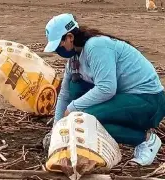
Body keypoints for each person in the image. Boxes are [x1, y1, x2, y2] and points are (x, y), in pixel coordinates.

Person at [43, 13, 165, 166]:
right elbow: (65, 95)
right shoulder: (73, 60)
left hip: (148, 101)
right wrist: (57, 131)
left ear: (69, 37)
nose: (57, 51)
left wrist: (73, 109)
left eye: (58, 45)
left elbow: (107, 88)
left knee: (87, 119)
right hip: (125, 101)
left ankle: (146, 140)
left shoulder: (96, 46)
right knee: (75, 87)